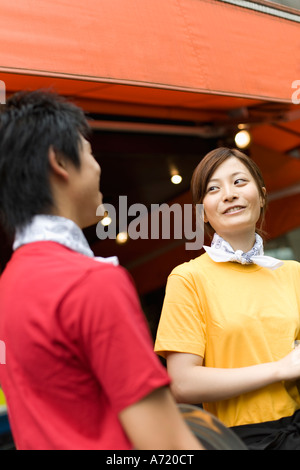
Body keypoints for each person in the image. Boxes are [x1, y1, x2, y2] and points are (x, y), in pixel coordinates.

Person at [0, 90, 202, 450]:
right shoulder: (91, 281)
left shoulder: (8, 285)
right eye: (90, 153)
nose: (98, 167)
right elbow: (167, 446)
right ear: (59, 161)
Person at [155, 147, 300, 450]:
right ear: (201, 211)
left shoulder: (293, 273)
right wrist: (280, 368)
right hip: (238, 442)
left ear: (261, 196)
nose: (229, 194)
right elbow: (182, 384)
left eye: (239, 182)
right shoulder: (188, 278)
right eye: (213, 188)